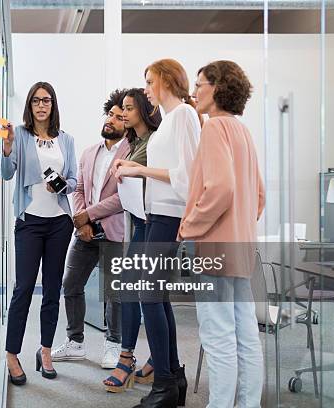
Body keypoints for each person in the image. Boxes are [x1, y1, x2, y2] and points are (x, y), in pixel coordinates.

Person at [111, 59, 201, 407]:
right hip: (156, 214)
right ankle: (172, 379)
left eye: (149, 81)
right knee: (157, 297)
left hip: (169, 215)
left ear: (165, 80)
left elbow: (188, 175)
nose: (146, 88)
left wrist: (141, 168)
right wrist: (138, 170)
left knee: (149, 296)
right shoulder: (170, 120)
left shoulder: (183, 115)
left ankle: (163, 383)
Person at [179, 60, 265, 408]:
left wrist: (190, 226)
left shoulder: (214, 128)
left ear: (218, 88)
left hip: (214, 247)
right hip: (241, 248)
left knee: (217, 338)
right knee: (245, 336)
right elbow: (258, 196)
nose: (194, 91)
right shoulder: (241, 130)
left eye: (200, 84)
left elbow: (220, 189)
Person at [1, 81, 77, 385]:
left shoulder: (67, 140)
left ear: (53, 105)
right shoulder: (20, 135)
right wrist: (6, 149)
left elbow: (74, 181)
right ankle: (11, 354)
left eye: (46, 100)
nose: (42, 105)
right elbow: (7, 173)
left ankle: (45, 350)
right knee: (23, 290)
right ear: (30, 106)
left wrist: (61, 183)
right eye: (36, 101)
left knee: (52, 291)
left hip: (59, 221)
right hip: (30, 221)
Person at [50, 89, 131, 368]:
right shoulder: (88, 152)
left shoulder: (132, 154)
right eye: (110, 114)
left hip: (115, 233)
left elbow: (123, 199)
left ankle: (113, 344)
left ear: (127, 123)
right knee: (71, 284)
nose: (111, 120)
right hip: (84, 235)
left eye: (120, 117)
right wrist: (81, 220)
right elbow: (80, 189)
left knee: (114, 294)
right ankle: (75, 342)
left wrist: (87, 216)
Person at [102, 88, 161, 391]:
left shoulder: (156, 140)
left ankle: (128, 358)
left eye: (127, 108)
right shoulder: (134, 141)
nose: (123, 113)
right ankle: (158, 359)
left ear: (143, 110)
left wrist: (130, 169)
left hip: (151, 224)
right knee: (147, 295)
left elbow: (162, 176)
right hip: (139, 222)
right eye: (120, 109)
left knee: (137, 290)